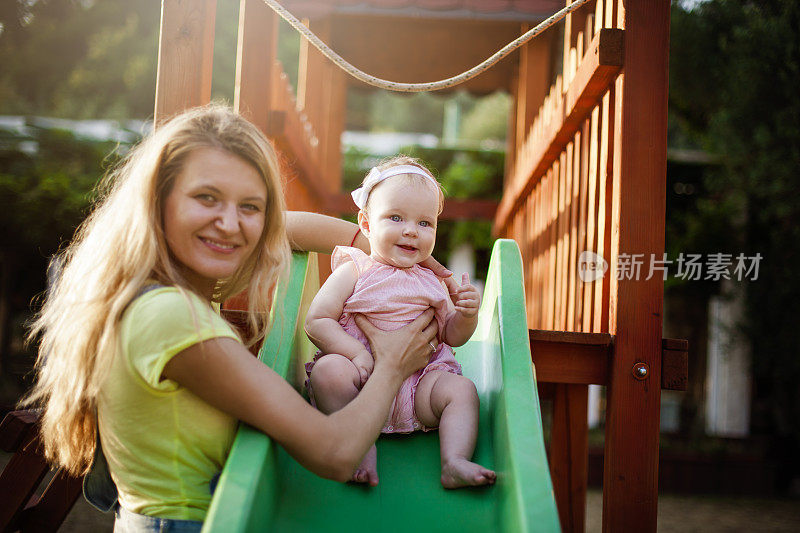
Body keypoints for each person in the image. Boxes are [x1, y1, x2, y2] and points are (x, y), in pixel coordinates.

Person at [21, 105, 446, 531]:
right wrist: (392, 365)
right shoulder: (168, 317)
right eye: (206, 197)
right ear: (158, 200)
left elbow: (290, 227)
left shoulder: (163, 291)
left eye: (249, 206)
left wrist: (388, 255)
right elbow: (335, 452)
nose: (229, 223)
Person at [304, 157, 497, 489]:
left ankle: (454, 461)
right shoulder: (355, 270)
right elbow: (317, 320)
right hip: (360, 385)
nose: (411, 230)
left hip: (419, 386)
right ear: (365, 223)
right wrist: (356, 354)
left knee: (462, 390)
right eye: (395, 217)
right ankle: (358, 449)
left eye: (425, 223)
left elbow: (451, 334)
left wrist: (466, 316)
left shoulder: (432, 281)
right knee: (327, 372)